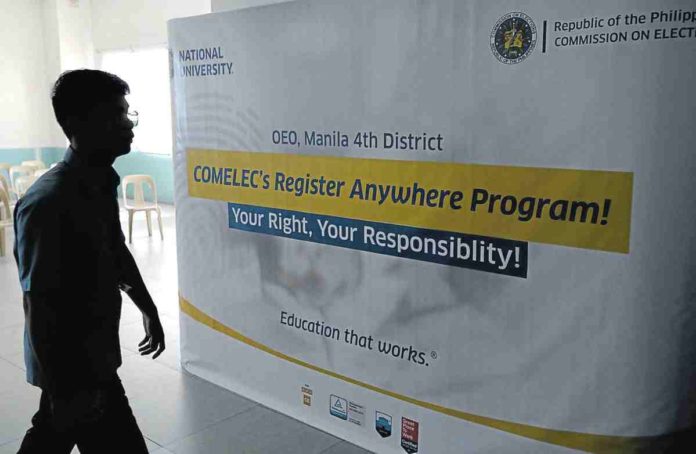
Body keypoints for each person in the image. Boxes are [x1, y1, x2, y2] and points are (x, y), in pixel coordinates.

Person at [13, 69, 165, 453]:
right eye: (117, 114)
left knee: (50, 436)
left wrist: (147, 306)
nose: (129, 126)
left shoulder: (100, 181)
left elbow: (115, 251)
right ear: (80, 122)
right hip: (71, 368)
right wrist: (63, 391)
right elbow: (39, 305)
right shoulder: (49, 202)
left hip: (95, 358)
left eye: (129, 113)